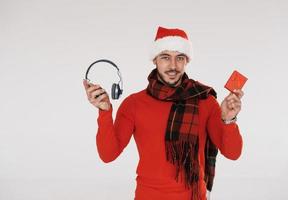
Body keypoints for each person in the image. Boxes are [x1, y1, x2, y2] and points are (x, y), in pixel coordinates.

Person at [83, 26, 244, 200]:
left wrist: (229, 120)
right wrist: (105, 112)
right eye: (165, 57)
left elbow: (233, 153)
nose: (173, 66)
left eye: (179, 58)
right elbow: (108, 155)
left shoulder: (205, 101)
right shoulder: (134, 104)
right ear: (155, 60)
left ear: (186, 61)